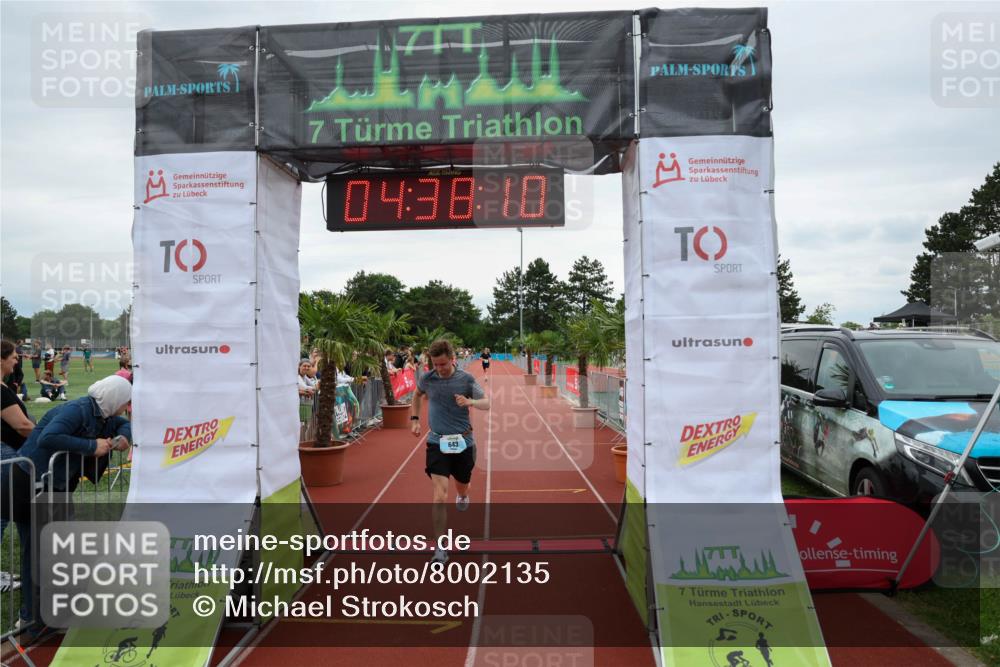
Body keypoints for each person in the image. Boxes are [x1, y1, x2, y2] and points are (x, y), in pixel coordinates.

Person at [6, 374, 132, 625]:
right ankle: (30, 618)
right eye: (125, 402)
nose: (126, 408)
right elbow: (48, 437)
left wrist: (123, 436)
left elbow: (121, 423)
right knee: (38, 553)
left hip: (56, 486)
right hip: (33, 484)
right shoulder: (78, 409)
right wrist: (91, 446)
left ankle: (55, 611)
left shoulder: (102, 412)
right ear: (114, 398)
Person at [410, 339, 489, 563]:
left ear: (452, 359)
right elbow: (416, 395)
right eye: (435, 365)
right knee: (439, 495)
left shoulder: (466, 379)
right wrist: (415, 420)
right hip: (437, 442)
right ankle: (440, 548)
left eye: (443, 364)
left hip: (463, 441)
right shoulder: (428, 378)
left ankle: (463, 494)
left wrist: (470, 401)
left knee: (462, 484)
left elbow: (487, 403)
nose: (439, 369)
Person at [1, 340, 35, 589]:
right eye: (13, 356)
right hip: (5, 454)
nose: (16, 360)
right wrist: (46, 438)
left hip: (8, 452)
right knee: (1, 514)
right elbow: (22, 426)